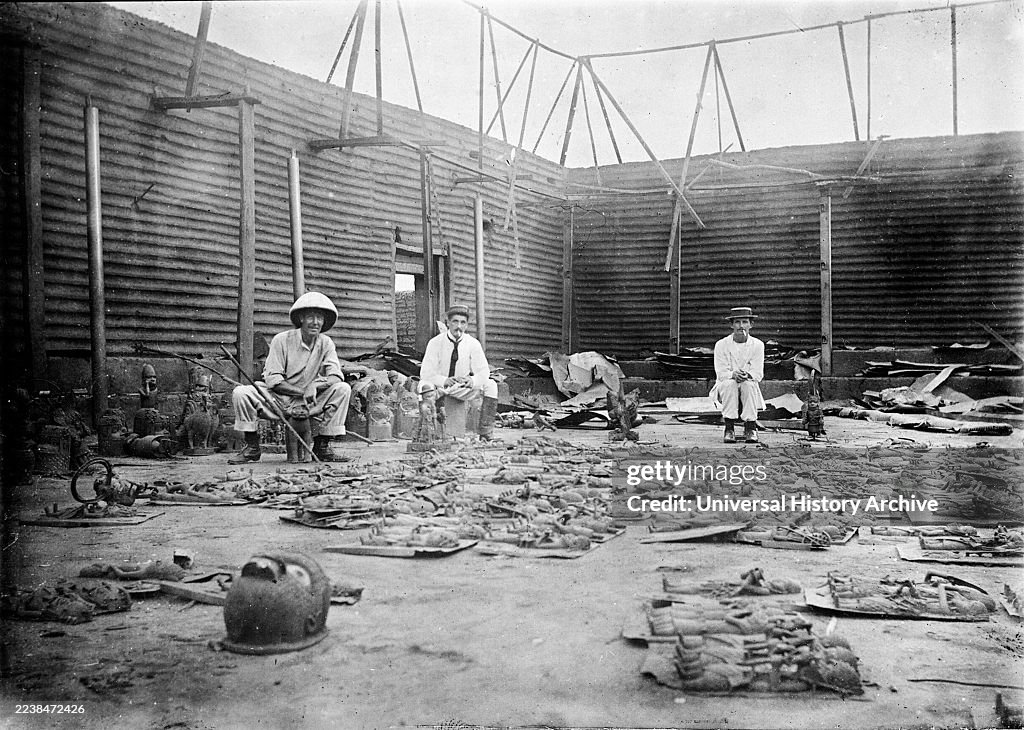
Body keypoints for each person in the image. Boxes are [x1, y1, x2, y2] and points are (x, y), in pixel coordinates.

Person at [229, 292, 365, 463]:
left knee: (343, 389)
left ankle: (322, 446)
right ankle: (252, 447)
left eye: (320, 318)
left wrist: (314, 386)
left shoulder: (326, 343)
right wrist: (302, 390)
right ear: (301, 318)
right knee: (241, 392)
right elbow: (274, 380)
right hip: (279, 398)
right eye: (311, 317)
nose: (315, 322)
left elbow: (336, 376)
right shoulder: (282, 340)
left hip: (310, 401)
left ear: (324, 322)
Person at [419, 304, 499, 440]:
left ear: (467, 325)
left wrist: (472, 380)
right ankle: (430, 429)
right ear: (448, 323)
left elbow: (483, 371)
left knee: (490, 384)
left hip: (460, 388)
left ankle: (486, 432)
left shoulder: (473, 343)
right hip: (439, 388)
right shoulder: (435, 342)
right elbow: (426, 372)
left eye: (463, 322)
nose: (459, 326)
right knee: (423, 384)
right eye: (455, 321)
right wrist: (444, 380)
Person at [710, 306, 766, 443]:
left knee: (749, 385)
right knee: (730, 384)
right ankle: (729, 429)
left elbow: (758, 373)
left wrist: (747, 374)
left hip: (748, 383)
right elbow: (721, 373)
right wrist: (733, 374)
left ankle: (750, 428)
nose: (741, 326)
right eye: (737, 322)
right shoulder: (721, 345)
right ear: (731, 325)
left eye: (745, 322)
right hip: (726, 384)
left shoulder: (757, 345)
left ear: (751, 324)